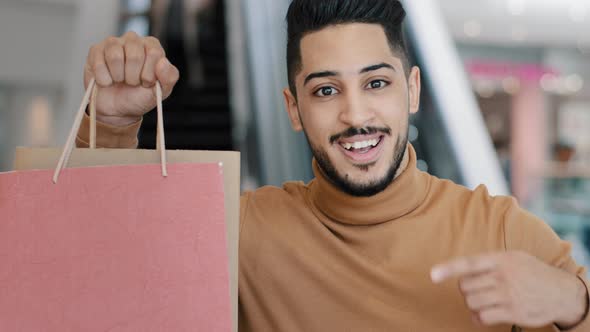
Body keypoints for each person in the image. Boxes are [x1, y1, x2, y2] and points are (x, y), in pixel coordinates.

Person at [77, 0, 589, 330]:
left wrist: (574, 303)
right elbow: (96, 270)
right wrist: (110, 124)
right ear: (293, 109)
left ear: (411, 90)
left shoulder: (500, 229)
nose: (356, 114)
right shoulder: (242, 230)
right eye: (326, 90)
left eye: (376, 82)